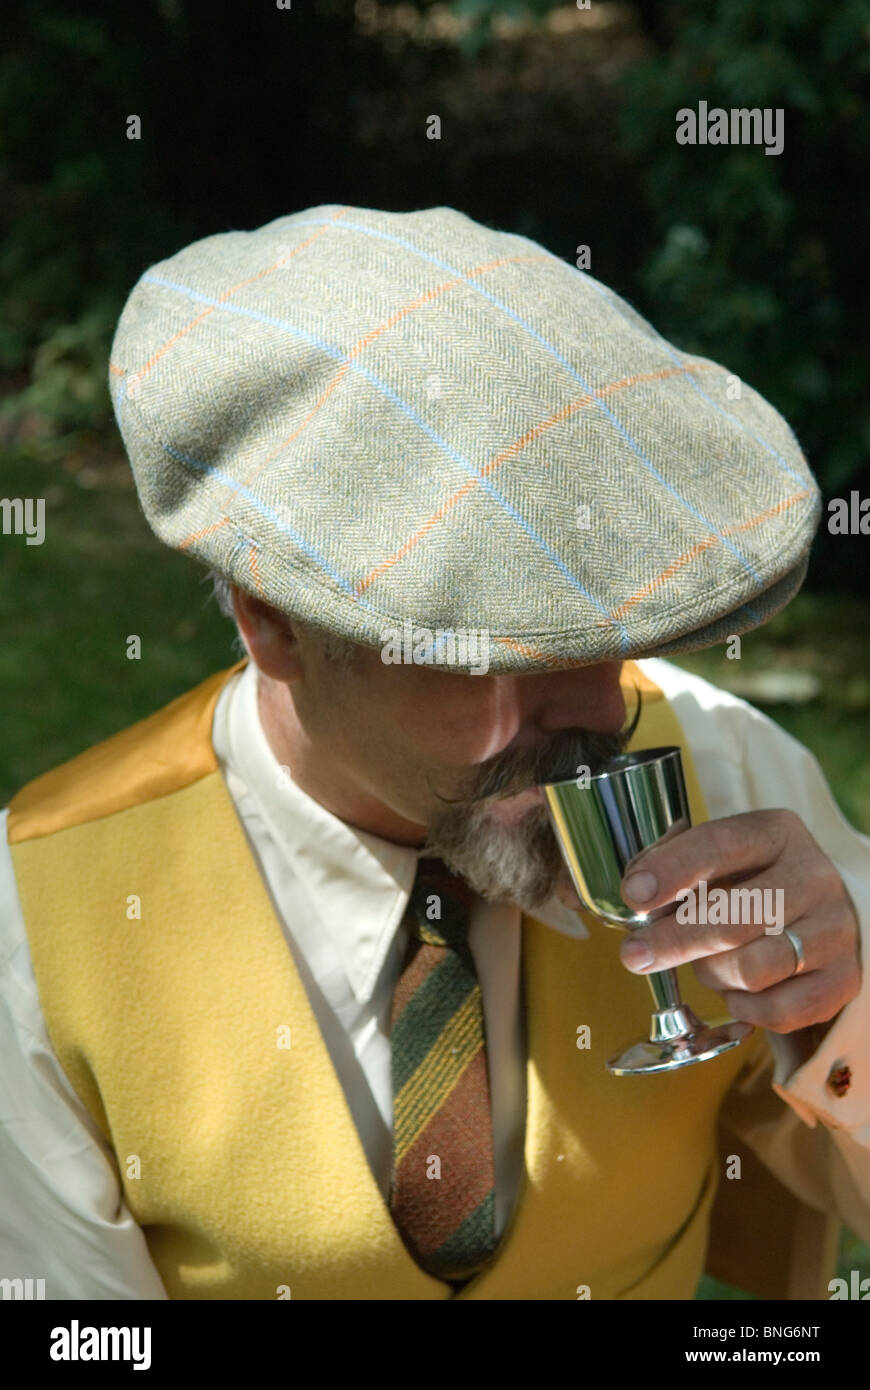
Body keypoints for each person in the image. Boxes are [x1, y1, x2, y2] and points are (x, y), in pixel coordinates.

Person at [0, 204, 867, 1301]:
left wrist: (843, 1009)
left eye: (607, 630)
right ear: (274, 622)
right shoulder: (41, 925)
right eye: (487, 651)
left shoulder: (724, 774)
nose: (592, 709)